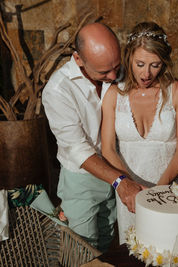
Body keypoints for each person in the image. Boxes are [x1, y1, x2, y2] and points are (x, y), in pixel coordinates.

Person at [42, 23, 143, 252]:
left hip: (119, 168)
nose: (114, 76)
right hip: (81, 179)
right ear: (78, 59)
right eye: (104, 72)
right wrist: (119, 181)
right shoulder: (58, 90)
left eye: (117, 67)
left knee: (108, 243)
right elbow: (77, 149)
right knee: (83, 250)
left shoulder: (117, 73)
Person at [101, 22, 178, 244]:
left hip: (169, 189)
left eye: (155, 65)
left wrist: (158, 192)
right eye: (140, 64)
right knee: (134, 250)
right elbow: (108, 149)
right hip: (130, 194)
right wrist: (132, 187)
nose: (146, 73)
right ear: (129, 57)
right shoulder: (114, 95)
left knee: (170, 249)